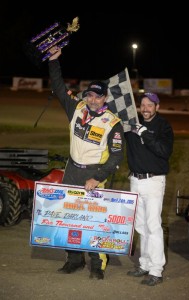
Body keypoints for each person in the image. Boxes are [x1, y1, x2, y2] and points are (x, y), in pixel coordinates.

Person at [48, 46, 124, 280]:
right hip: (72, 171)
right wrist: (53, 61)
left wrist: (99, 177)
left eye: (98, 96)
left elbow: (117, 156)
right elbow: (59, 88)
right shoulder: (77, 108)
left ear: (105, 98)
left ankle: (97, 265)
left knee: (95, 223)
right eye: (90, 95)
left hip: (94, 175)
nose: (92, 99)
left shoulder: (113, 123)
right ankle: (73, 260)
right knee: (69, 218)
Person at [124, 92, 174, 286]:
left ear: (157, 107)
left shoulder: (164, 126)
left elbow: (164, 151)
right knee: (140, 226)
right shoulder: (131, 124)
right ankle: (144, 264)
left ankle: (156, 270)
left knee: (153, 226)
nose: (145, 108)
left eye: (149, 105)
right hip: (135, 181)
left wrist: (144, 133)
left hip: (154, 182)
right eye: (143, 105)